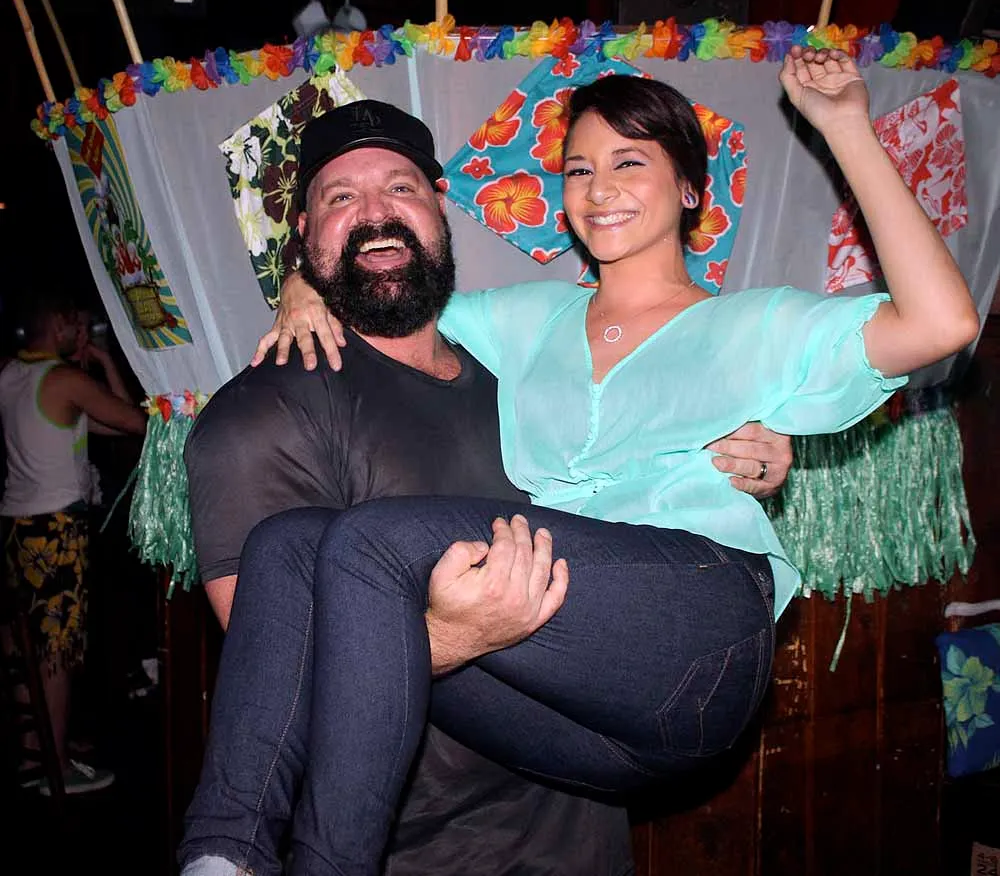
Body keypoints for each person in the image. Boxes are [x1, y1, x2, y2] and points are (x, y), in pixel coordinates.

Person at [191, 46, 980, 875]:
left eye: (629, 162)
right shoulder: (528, 321)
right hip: (587, 724)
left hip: (699, 634)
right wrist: (302, 285)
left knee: (365, 542)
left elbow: (942, 323)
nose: (600, 188)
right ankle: (221, 856)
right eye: (579, 170)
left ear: (691, 189)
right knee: (288, 542)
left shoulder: (758, 326)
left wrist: (847, 128)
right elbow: (390, 277)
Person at [0, 286, 147, 795]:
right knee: (56, 652)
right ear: (59, 325)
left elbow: (112, 425)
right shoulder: (64, 380)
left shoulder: (13, 374)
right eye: (77, 325)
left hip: (16, 527)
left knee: (28, 646)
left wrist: (98, 364)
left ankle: (38, 751)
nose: (82, 333)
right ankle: (56, 769)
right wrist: (103, 364)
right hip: (56, 529)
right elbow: (137, 420)